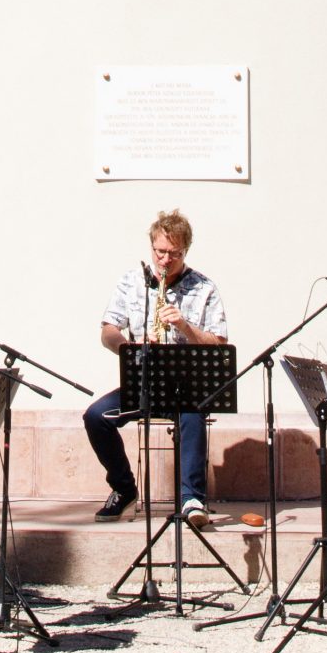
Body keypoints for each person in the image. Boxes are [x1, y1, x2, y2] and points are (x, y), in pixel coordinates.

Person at [86, 210, 227, 521]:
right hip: (143, 383)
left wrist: (186, 327)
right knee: (96, 416)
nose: (165, 261)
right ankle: (124, 488)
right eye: (160, 252)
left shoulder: (204, 287)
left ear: (185, 251)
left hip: (185, 385)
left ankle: (192, 500)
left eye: (174, 254)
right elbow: (108, 330)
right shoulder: (131, 281)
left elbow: (218, 345)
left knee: (192, 412)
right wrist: (129, 349)